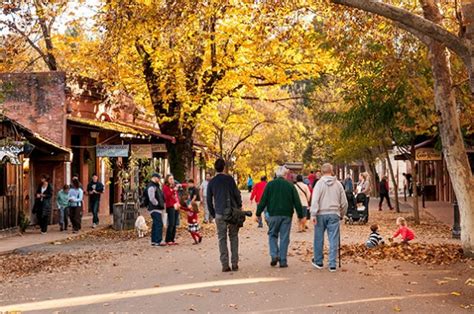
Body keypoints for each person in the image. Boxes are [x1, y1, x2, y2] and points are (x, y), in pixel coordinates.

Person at [257, 166, 304, 268]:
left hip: (273, 214)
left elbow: (263, 200)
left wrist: (258, 213)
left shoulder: (270, 185)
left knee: (272, 235)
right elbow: (297, 201)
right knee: (284, 237)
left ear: (276, 174)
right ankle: (283, 260)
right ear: (285, 175)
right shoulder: (290, 185)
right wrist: (300, 215)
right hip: (287, 215)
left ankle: (274, 255)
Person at [310, 163, 348, 272]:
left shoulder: (319, 184)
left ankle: (318, 261)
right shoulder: (338, 185)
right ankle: (332, 264)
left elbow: (315, 200)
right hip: (334, 213)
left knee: (318, 238)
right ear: (332, 171)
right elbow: (344, 202)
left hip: (320, 213)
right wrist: (341, 214)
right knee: (333, 238)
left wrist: (313, 214)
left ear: (321, 172)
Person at [207, 158, 243, 272]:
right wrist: (240, 206)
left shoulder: (212, 182)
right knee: (233, 237)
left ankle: (225, 265)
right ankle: (235, 263)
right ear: (224, 167)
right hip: (232, 213)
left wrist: (213, 214)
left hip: (219, 213)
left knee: (221, 238)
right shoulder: (230, 180)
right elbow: (237, 194)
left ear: (215, 168)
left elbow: (208, 200)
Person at [146, 173, 166, 246]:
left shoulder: (155, 186)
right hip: (155, 208)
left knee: (155, 224)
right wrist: (157, 204)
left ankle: (154, 241)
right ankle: (158, 241)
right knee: (159, 224)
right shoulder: (152, 186)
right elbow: (151, 198)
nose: (159, 180)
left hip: (155, 208)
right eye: (158, 178)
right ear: (154, 178)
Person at [163, 174, 180, 245]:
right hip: (170, 206)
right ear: (167, 180)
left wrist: (178, 203)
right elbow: (167, 196)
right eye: (170, 179)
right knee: (171, 223)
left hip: (176, 205)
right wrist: (173, 190)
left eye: (172, 179)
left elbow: (175, 196)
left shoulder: (173, 186)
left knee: (175, 223)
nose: (172, 180)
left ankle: (172, 239)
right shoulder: (165, 187)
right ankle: (168, 239)